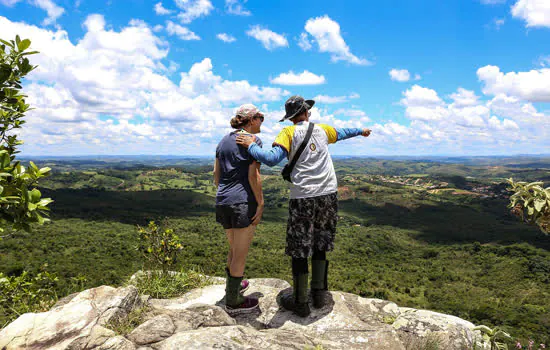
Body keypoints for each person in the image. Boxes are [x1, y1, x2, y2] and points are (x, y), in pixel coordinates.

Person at [236, 95, 371, 317]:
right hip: (328, 193)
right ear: (307, 112)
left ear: (290, 117)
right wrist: (362, 130)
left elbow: (271, 159)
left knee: (299, 247)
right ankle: (318, 293)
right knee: (321, 242)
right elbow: (344, 132)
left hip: (303, 197)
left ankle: (301, 302)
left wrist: (251, 145)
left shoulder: (288, 133)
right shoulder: (323, 130)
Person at [214, 104, 265, 314]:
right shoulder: (253, 142)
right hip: (242, 202)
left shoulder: (223, 140)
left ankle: (232, 288)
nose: (262, 120)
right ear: (251, 120)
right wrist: (260, 203)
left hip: (223, 201)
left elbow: (216, 175)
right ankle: (234, 302)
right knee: (240, 254)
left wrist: (226, 193)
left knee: (234, 249)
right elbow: (254, 176)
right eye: (260, 117)